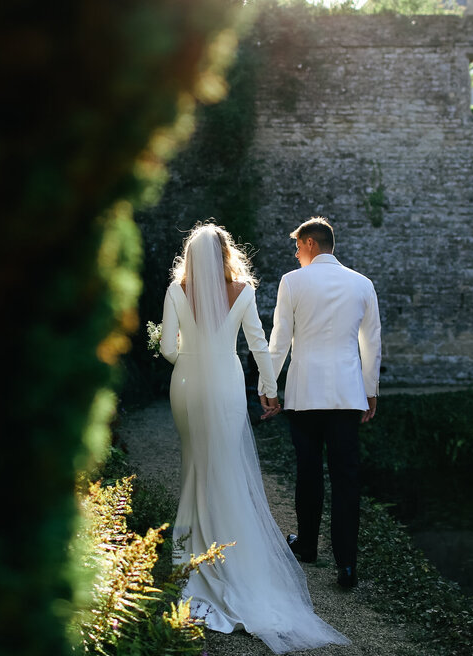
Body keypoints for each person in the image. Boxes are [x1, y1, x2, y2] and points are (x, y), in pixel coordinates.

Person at [159, 223, 349, 654]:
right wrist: (269, 386)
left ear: (191, 257)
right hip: (225, 384)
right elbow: (258, 344)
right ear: (226, 254)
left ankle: (191, 555)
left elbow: (169, 349)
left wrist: (187, 347)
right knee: (223, 465)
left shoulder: (176, 291)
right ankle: (226, 557)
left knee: (194, 464)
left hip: (186, 383)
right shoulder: (243, 290)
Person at [266, 217, 381, 590]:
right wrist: (370, 390)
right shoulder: (363, 284)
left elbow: (280, 338)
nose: (296, 253)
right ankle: (347, 565)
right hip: (347, 395)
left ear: (312, 244)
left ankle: (308, 546)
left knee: (309, 471)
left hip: (304, 395)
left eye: (298, 246)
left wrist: (268, 385)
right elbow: (372, 344)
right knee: (346, 479)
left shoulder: (292, 282)